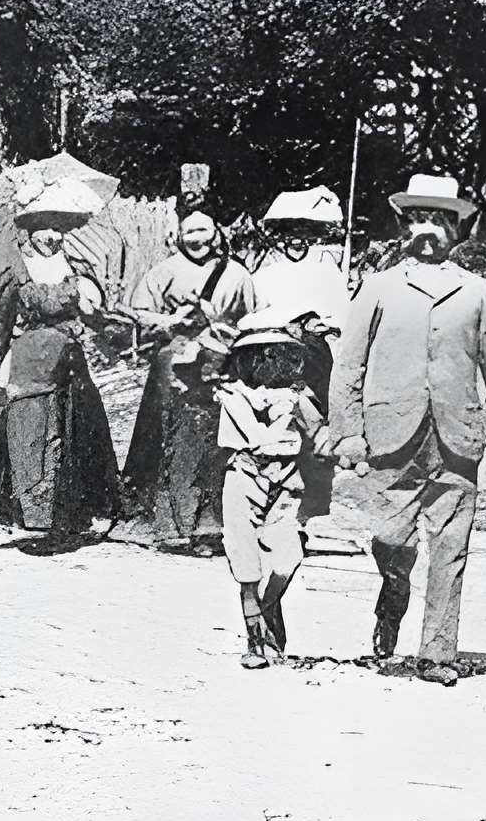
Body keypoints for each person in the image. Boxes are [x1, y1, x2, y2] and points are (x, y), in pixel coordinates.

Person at [330, 175, 486, 683]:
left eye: (440, 221)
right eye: (419, 218)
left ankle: (437, 654)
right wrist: (348, 431)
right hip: (390, 434)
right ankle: (392, 593)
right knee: (391, 538)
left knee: (451, 546)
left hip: (456, 440)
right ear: (403, 225)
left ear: (456, 230)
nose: (428, 230)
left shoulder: (477, 291)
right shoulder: (377, 287)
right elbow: (348, 365)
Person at [0, 179, 124, 551]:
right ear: (29, 231)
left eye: (59, 228)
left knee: (75, 430)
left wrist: (94, 309)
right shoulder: (14, 272)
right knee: (27, 432)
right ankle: (31, 514)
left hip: (70, 360)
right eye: (44, 228)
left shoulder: (77, 268)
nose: (53, 236)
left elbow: (98, 320)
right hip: (29, 360)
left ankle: (70, 513)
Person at [117, 207, 256, 551]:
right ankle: (153, 513)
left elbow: (254, 318)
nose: (196, 240)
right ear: (178, 236)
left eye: (203, 231)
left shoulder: (236, 275)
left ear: (216, 234)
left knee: (215, 439)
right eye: (189, 232)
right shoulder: (164, 271)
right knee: (161, 432)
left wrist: (221, 323)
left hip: (219, 363)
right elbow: (139, 313)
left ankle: (211, 519)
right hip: (173, 362)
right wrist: (169, 321)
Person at [214, 323, 325, 668]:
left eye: (278, 355)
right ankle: (255, 642)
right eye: (262, 356)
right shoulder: (231, 395)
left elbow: (320, 432)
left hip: (287, 479)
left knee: (286, 559)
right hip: (243, 477)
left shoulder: (298, 396)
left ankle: (268, 610)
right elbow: (255, 436)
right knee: (246, 565)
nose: (270, 363)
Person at [244, 187, 355, 529]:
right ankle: (263, 502)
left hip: (316, 359)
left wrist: (325, 326)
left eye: (304, 234)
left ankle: (312, 506)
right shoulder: (262, 275)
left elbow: (344, 319)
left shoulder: (329, 274)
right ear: (278, 237)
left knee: (313, 429)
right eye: (289, 233)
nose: (296, 241)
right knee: (272, 427)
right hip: (272, 357)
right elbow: (251, 317)